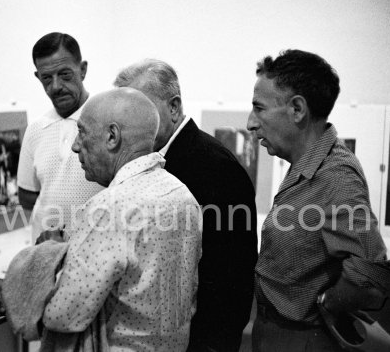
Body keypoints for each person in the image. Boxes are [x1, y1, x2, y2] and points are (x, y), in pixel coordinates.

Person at [246, 49, 390, 351]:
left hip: (302, 339)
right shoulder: (307, 167)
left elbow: (370, 272)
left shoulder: (336, 175)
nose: (251, 123)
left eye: (259, 109)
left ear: (297, 109)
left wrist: (327, 303)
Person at [41, 88, 202, 351]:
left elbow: (63, 316)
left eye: (81, 132)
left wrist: (48, 259)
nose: (75, 145)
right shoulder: (182, 194)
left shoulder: (109, 208)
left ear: (112, 137)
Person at [114, 59, 258, 352]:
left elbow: (232, 277)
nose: (130, 122)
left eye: (140, 109)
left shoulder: (216, 167)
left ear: (174, 107)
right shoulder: (157, 161)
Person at [17, 32, 103, 241]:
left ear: (82, 70)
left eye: (65, 75)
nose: (55, 86)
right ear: (38, 77)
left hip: (98, 253)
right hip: (45, 253)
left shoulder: (107, 119)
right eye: (47, 78)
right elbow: (27, 196)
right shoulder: (36, 130)